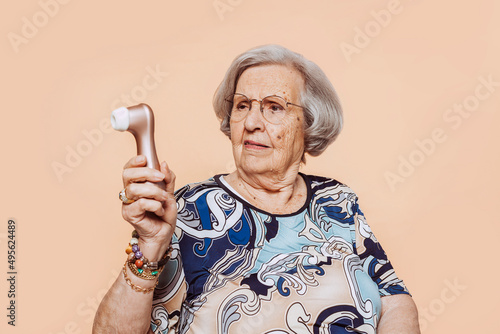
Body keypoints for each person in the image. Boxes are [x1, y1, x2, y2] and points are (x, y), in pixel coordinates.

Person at [93, 44, 420, 334]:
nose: (252, 122)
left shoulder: (336, 200)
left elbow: (394, 298)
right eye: (242, 105)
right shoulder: (189, 210)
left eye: (274, 107)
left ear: (308, 124)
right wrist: (150, 245)